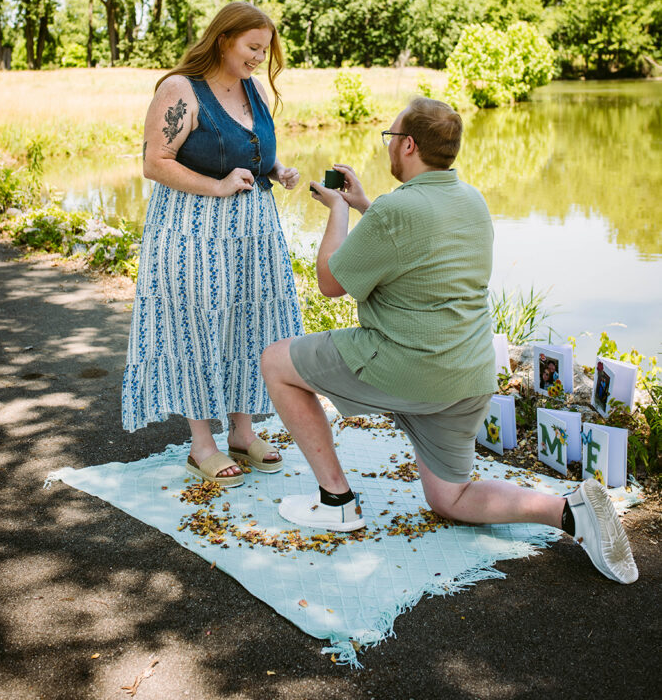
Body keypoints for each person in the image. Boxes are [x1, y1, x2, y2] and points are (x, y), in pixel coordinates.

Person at [261, 98, 638, 584]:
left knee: (276, 362)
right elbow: (418, 241)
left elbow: (331, 283)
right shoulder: (471, 199)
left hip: (409, 368)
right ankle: (568, 511)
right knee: (449, 498)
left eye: (390, 138)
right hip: (468, 376)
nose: (388, 147)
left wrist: (338, 210)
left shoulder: (396, 210)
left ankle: (337, 501)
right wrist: (366, 207)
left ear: (408, 145)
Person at [122, 1, 304, 486]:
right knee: (197, 326)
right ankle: (201, 445)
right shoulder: (181, 89)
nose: (259, 59)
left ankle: (242, 434)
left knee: (250, 326)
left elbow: (250, 147)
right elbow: (155, 162)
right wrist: (218, 186)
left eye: (265, 51)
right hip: (192, 231)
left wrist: (275, 169)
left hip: (253, 231)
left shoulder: (252, 88)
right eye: (252, 48)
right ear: (224, 39)